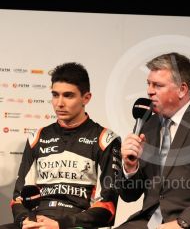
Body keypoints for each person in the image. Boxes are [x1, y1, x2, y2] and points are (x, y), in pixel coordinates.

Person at [116, 52, 190, 229]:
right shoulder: (147, 124)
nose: (149, 91)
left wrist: (183, 223)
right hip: (148, 222)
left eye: (157, 85)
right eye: (148, 84)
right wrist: (130, 168)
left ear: (182, 89)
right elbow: (129, 195)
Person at [0, 62, 121, 229]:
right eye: (55, 95)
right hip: (37, 222)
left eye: (68, 95)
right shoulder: (38, 137)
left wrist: (60, 225)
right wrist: (27, 220)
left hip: (75, 224)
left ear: (86, 98)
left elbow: (107, 206)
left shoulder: (105, 139)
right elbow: (18, 197)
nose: (59, 103)